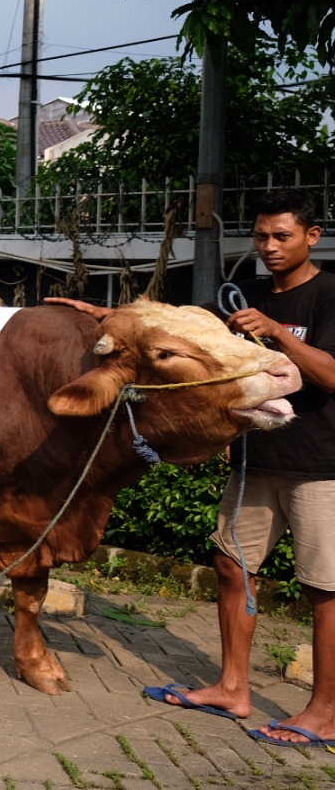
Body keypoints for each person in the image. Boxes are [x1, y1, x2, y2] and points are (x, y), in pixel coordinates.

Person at [138, 189, 335, 747]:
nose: (269, 247)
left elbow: (331, 376)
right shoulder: (243, 296)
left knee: (325, 588)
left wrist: (274, 333)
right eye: (261, 237)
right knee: (232, 568)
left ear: (312, 237)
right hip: (256, 462)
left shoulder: (329, 294)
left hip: (322, 467)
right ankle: (232, 688)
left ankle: (325, 713)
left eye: (283, 236)